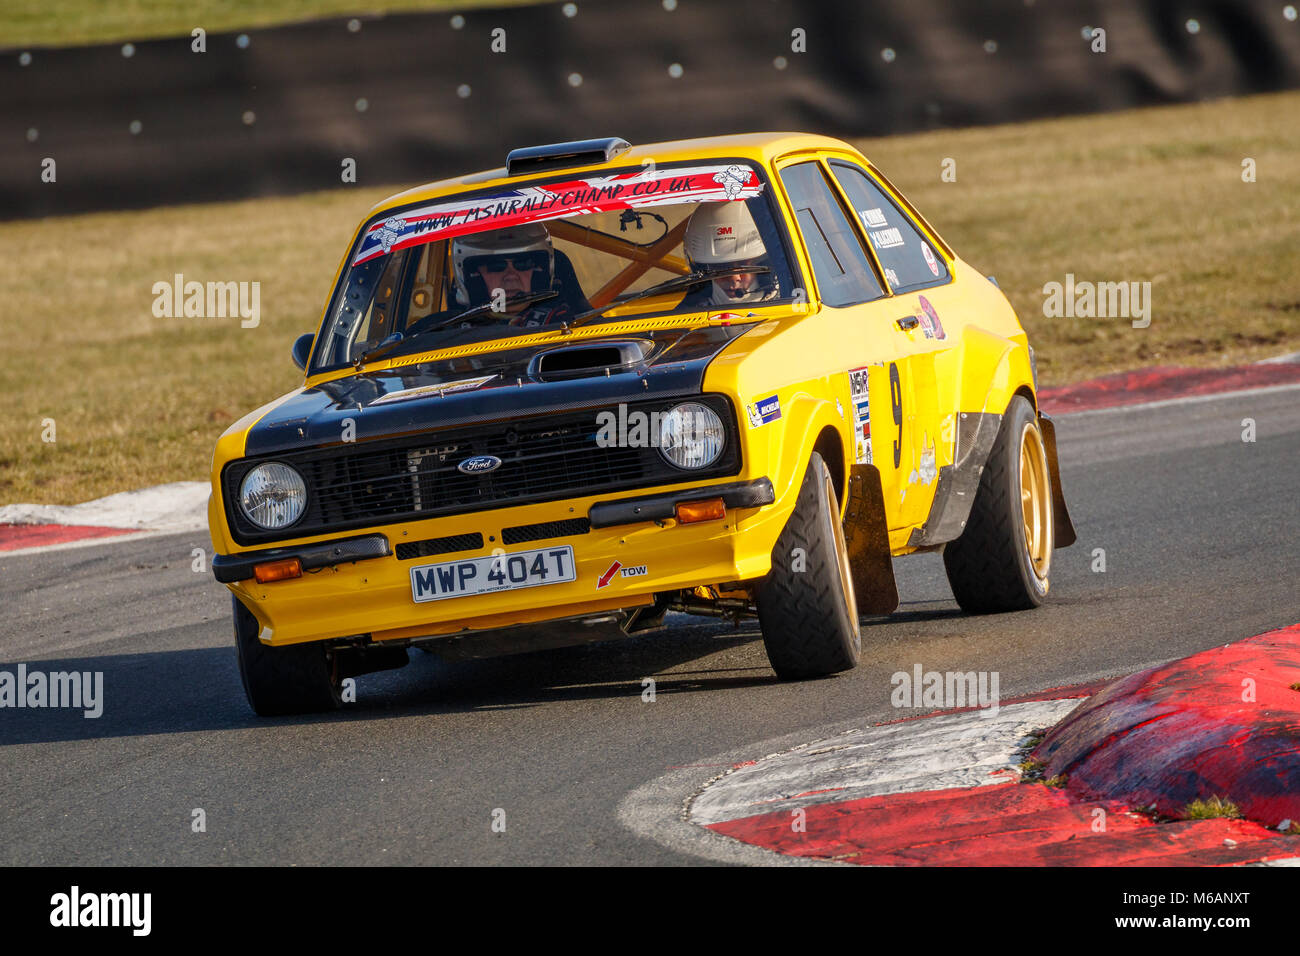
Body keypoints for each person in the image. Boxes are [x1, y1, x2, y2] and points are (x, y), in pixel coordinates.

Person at [451, 223, 581, 327]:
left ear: (537, 272)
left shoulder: (570, 325)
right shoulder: (444, 334)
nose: (511, 276)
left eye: (523, 264)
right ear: (474, 276)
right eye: (495, 266)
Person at [680, 201, 781, 308]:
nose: (734, 278)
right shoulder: (685, 314)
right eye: (721, 267)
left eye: (743, 266)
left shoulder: (792, 302)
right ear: (701, 269)